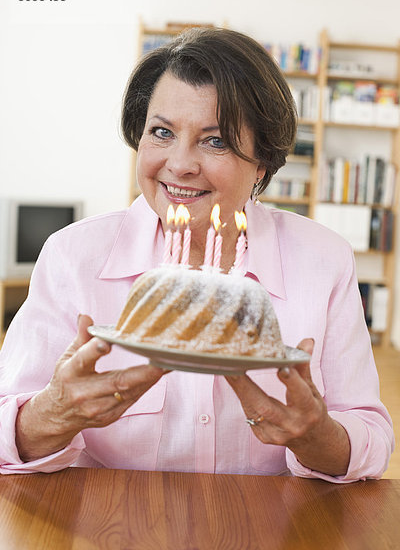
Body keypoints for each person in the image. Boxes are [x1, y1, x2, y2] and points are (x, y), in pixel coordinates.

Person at [0, 28, 394, 481]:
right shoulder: (73, 256)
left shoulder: (324, 260)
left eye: (216, 140)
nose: (181, 163)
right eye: (162, 132)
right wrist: (52, 414)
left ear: (262, 161)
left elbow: (370, 437)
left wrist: (317, 436)